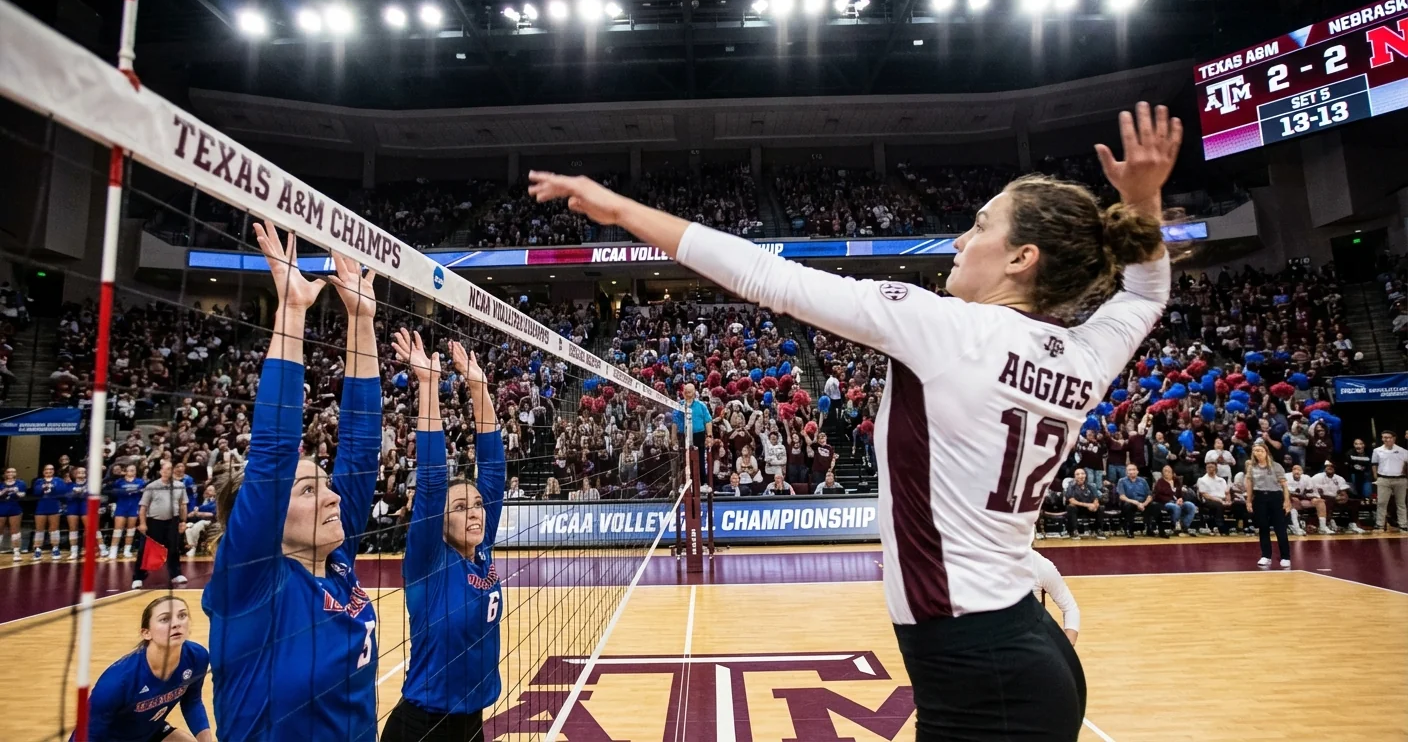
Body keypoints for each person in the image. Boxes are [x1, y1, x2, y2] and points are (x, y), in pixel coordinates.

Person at [530, 101, 1183, 740]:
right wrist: (1145, 202)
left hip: (983, 673)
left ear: (1022, 258)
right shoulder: (1083, 356)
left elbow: (768, 276)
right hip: (1017, 646)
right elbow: (1147, 293)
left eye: (980, 227)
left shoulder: (947, 328)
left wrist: (618, 209)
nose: (959, 240)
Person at [201, 226, 381, 741]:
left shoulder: (336, 560)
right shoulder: (254, 579)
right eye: (308, 490)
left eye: (324, 484)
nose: (331, 496)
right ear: (265, 521)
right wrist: (292, 311)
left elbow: (362, 445)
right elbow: (273, 457)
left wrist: (360, 320)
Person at [384, 331, 506, 742]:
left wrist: (479, 386)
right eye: (460, 508)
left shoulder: (482, 548)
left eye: (476, 505)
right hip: (422, 727)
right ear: (439, 522)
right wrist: (428, 384)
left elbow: (493, 470)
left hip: (471, 721)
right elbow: (434, 482)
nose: (474, 512)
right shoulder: (429, 561)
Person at [78, 596, 213, 742]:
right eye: (164, 619)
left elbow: (191, 702)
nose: (176, 624)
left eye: (182, 616)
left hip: (151, 732)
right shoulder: (117, 682)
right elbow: (89, 735)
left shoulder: (197, 657)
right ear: (146, 633)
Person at [134, 462, 188, 589]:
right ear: (161, 471)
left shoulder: (180, 486)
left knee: (174, 548)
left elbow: (183, 505)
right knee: (145, 550)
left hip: (173, 521)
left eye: (171, 468)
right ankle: (138, 577)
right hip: (154, 521)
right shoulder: (152, 486)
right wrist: (142, 523)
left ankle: (176, 574)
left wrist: (183, 521)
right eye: (167, 469)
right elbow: (143, 506)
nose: (169, 471)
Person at [1245, 441, 1291, 569]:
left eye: (1260, 450)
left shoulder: (1276, 466)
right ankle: (1266, 555)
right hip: (1259, 497)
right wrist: (1248, 500)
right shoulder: (1251, 467)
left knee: (1280, 528)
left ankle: (1285, 557)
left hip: (1275, 497)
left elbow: (1284, 485)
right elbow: (1249, 485)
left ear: (1266, 452)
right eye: (1255, 451)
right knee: (1263, 527)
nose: (1258, 453)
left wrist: (1287, 500)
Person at [1031, 550, 1080, 646]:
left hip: (1033, 645)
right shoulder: (993, 564)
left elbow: (1070, 608)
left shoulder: (1040, 566)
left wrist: (1067, 650)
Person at [1310, 461, 1364, 534]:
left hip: (1336, 498)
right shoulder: (1317, 477)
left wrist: (1344, 497)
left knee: (1354, 502)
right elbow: (1312, 490)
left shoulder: (1339, 478)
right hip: (1322, 498)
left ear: (1335, 468)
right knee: (1328, 501)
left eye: (1331, 466)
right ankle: (1324, 525)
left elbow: (1343, 492)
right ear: (1324, 468)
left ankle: (1352, 524)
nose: (1330, 468)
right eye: (1328, 466)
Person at [1372, 430, 1408, 532]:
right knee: (1382, 503)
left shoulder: (1403, 451)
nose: (1386, 439)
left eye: (1388, 437)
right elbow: (1374, 464)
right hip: (1383, 479)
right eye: (1384, 437)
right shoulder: (1377, 450)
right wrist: (1376, 478)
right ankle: (1379, 524)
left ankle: (1403, 524)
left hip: (1400, 479)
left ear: (1394, 438)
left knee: (1401, 503)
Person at [109, 463, 145, 559]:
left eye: (134, 469)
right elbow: (111, 491)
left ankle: (127, 550)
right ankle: (113, 550)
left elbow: (143, 495)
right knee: (117, 530)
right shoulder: (119, 482)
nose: (133, 471)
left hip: (133, 507)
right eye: (130, 469)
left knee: (131, 530)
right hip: (121, 507)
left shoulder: (140, 482)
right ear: (125, 471)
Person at [63, 465, 100, 559]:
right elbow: (66, 497)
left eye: (83, 472)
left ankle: (89, 548)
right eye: (78, 472)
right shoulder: (69, 485)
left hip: (85, 506)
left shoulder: (90, 484)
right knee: (73, 529)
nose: (81, 474)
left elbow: (94, 496)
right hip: (72, 506)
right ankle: (74, 551)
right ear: (74, 474)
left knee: (89, 528)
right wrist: (74, 493)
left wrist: (83, 493)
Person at [1117, 464, 1160, 539]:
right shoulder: (1122, 481)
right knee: (1129, 506)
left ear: (1137, 471)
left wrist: (1144, 504)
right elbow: (1122, 496)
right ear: (1126, 472)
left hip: (1143, 502)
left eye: (1133, 469)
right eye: (1129, 470)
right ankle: (1129, 530)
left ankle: (1152, 529)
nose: (1132, 471)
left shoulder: (1143, 481)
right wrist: (1136, 503)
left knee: (1155, 505)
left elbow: (1149, 495)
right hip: (1129, 501)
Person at [31, 463, 64, 560]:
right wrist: (42, 487)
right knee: (39, 529)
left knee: (54, 528)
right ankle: (37, 549)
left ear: (53, 471)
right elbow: (36, 492)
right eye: (47, 469)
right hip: (41, 506)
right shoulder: (39, 481)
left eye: (51, 469)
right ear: (43, 471)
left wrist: (53, 487)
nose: (49, 471)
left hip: (54, 505)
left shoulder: (58, 480)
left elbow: (62, 491)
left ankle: (55, 548)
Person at [1063, 467, 1105, 539]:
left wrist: (1095, 506)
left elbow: (1096, 499)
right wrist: (1088, 505)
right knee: (1071, 507)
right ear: (1075, 476)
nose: (1080, 476)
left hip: (1089, 509)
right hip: (1078, 509)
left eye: (1082, 473)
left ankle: (1098, 530)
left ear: (1085, 475)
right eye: (1078, 474)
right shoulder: (1071, 487)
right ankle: (1075, 531)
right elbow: (1072, 500)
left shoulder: (1091, 486)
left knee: (1101, 508)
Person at [1156, 464, 1195, 536]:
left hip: (1178, 502)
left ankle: (1185, 526)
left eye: (1168, 471)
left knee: (1191, 505)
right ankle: (1174, 526)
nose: (1166, 473)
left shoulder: (1176, 481)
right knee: (1175, 507)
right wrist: (1172, 501)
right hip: (1166, 503)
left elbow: (1180, 494)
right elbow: (1158, 496)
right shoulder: (1160, 482)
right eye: (1165, 471)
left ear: (1173, 473)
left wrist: (1180, 499)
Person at [1195, 462, 1231, 536]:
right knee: (1219, 505)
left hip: (1222, 499)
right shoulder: (1202, 480)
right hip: (1209, 500)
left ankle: (1243, 527)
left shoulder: (1222, 480)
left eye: (1212, 467)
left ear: (1216, 468)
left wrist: (1228, 500)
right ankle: (1220, 527)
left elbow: (1227, 492)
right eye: (1208, 467)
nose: (1210, 469)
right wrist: (1220, 500)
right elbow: (1205, 494)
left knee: (1239, 504)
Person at [185, 486, 216, 557]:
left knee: (199, 524)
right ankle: (193, 548)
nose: (207, 492)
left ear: (215, 492)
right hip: (200, 520)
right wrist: (194, 511)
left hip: (212, 521)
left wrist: (198, 513)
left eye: (210, 490)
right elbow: (200, 508)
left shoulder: (217, 501)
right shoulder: (205, 500)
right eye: (207, 490)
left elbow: (212, 514)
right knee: (188, 530)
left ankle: (194, 547)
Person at [1, 467, 24, 560]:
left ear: (16, 473)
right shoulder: (1, 484)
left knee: (15, 530)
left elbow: (23, 495)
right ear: (5, 474)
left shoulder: (20, 483)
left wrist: (17, 492)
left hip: (14, 508)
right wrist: (4, 491)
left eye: (13, 471)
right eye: (8, 472)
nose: (11, 473)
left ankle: (16, 552)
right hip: (1, 508)